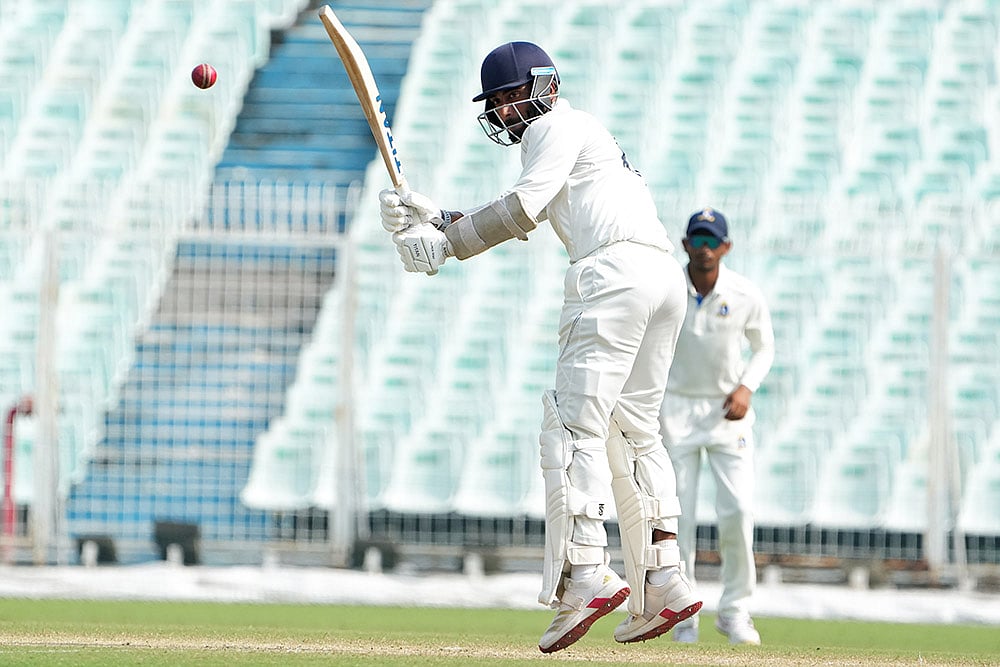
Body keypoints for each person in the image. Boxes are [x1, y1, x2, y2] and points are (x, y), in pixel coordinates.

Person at [378, 41, 701, 653]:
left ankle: (586, 573)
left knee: (572, 427)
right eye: (495, 103)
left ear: (544, 85)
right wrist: (437, 218)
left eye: (508, 95)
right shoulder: (583, 133)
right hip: (661, 278)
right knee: (636, 433)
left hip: (609, 277)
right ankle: (665, 578)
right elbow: (529, 209)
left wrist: (446, 246)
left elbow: (522, 209)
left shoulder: (553, 125)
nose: (503, 111)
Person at [658, 208, 775, 645]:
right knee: (678, 518)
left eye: (713, 241)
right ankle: (683, 614)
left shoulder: (745, 293)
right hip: (676, 410)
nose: (705, 249)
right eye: (698, 240)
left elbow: (764, 348)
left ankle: (735, 611)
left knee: (739, 511)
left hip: (729, 414)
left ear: (726, 247)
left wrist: (746, 388)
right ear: (685, 243)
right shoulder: (667, 289)